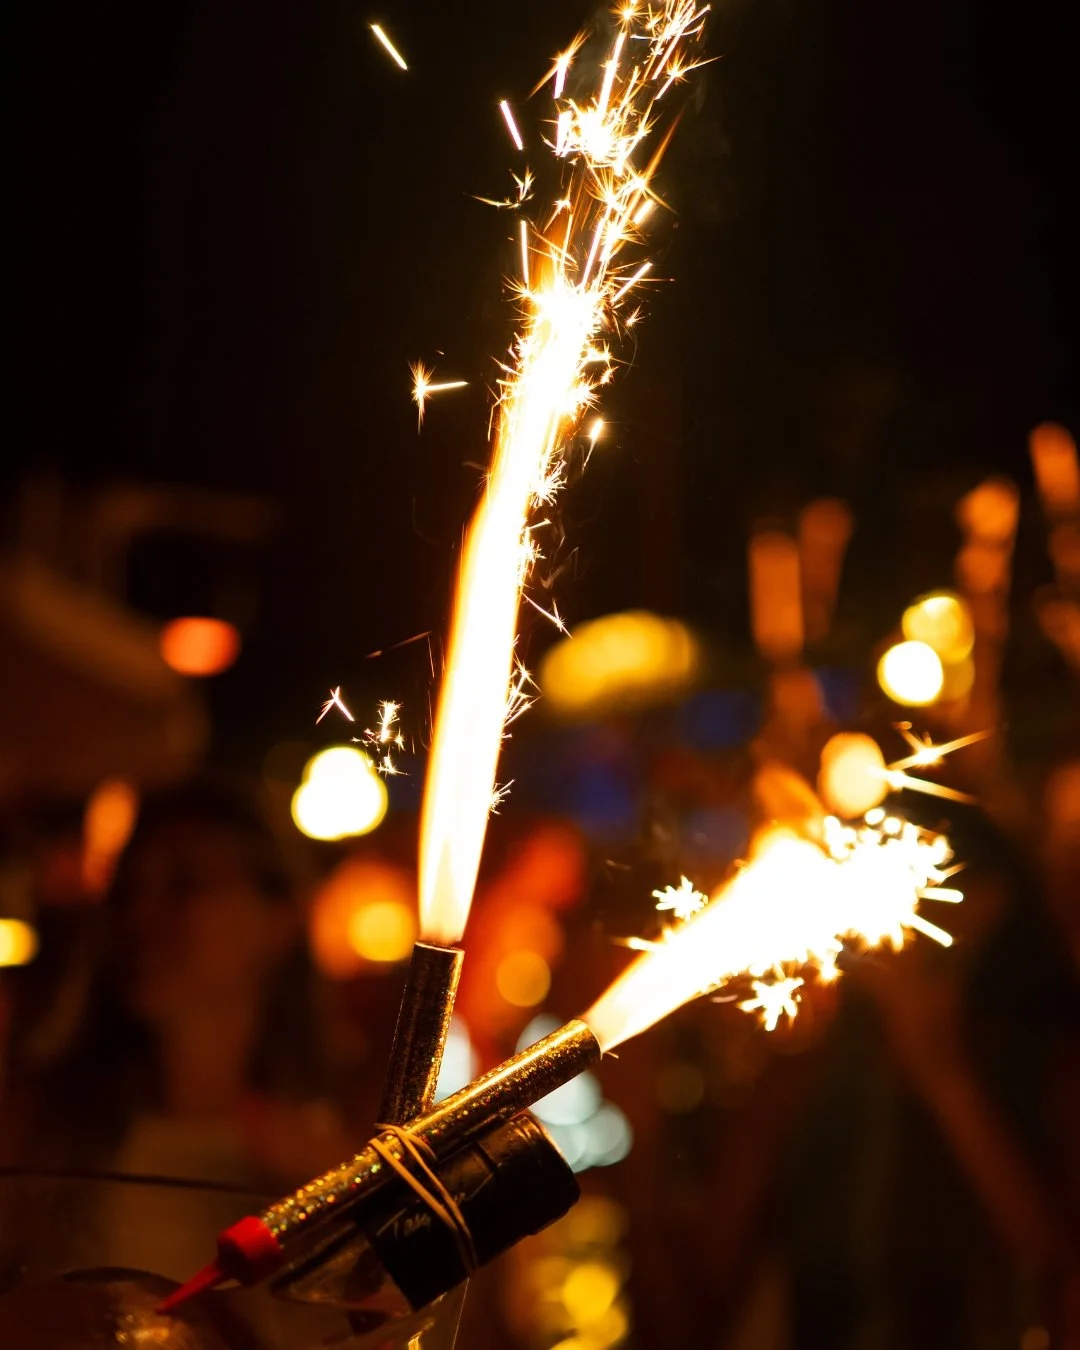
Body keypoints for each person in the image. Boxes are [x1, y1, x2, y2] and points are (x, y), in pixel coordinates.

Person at [2, 779, 351, 1193]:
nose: (140, 912)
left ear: (278, 918)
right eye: (128, 889)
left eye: (184, 884)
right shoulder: (35, 1128)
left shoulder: (330, 1157)